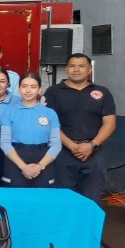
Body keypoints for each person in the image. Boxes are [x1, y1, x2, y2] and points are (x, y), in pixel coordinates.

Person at [43, 53, 116, 201]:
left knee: (92, 200)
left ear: (89, 70)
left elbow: (110, 123)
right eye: (72, 66)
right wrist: (72, 146)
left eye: (81, 66)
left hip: (93, 154)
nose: (76, 69)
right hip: (62, 153)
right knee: (62, 199)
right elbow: (49, 124)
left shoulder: (103, 92)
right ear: (66, 69)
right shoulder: (53, 92)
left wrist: (91, 145)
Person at [0, 72, 61, 188]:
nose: (28, 90)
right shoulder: (9, 112)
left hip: (43, 158)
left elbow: (56, 144)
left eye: (33, 87)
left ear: (39, 90)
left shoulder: (50, 113)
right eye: (24, 86)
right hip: (15, 157)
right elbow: (4, 143)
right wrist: (23, 166)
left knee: (42, 198)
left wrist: (40, 166)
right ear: (18, 89)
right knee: (16, 198)